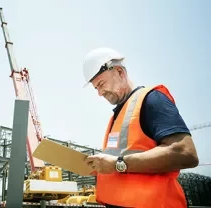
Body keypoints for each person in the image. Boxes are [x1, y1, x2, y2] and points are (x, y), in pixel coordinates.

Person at [81, 47, 199, 208]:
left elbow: (185, 153)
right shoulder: (117, 116)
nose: (100, 93)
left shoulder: (152, 99)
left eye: (101, 84)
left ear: (119, 72)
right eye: (96, 88)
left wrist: (117, 164)